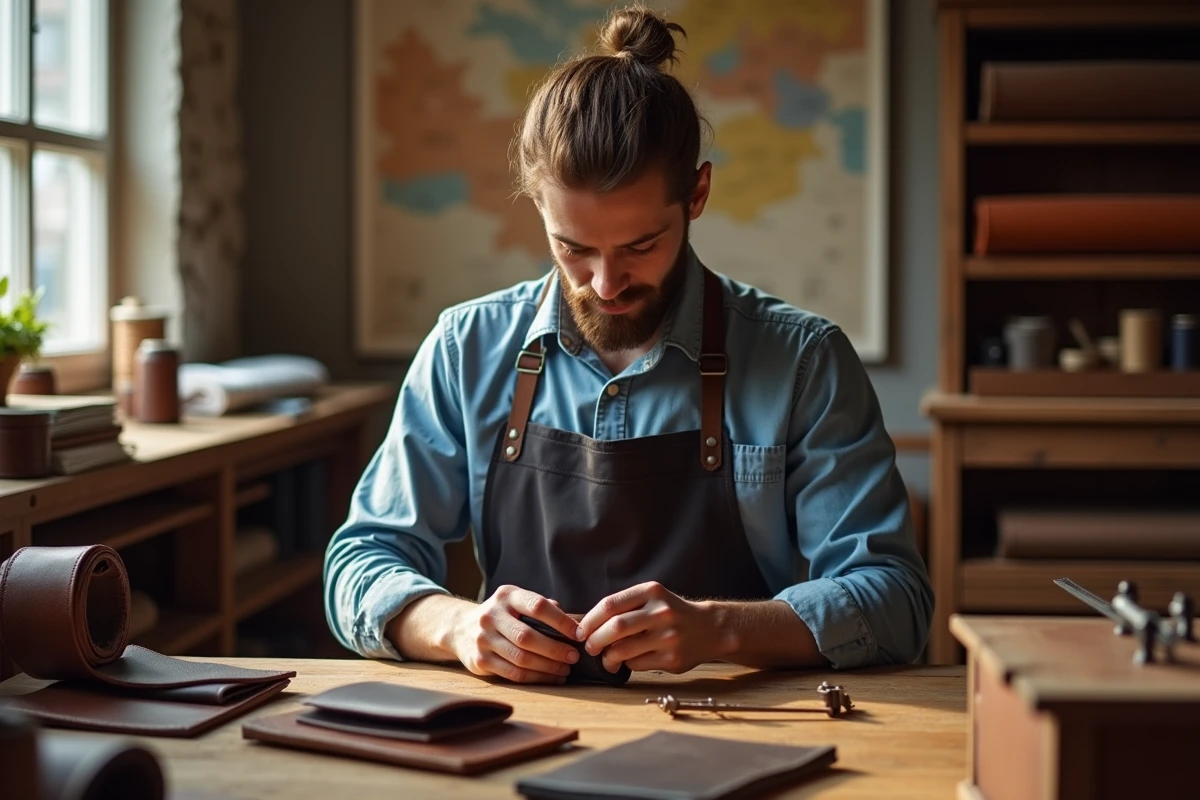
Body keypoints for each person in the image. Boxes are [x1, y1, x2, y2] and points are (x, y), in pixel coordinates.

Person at [324, 5, 933, 684]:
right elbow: (361, 563)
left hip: (738, 728)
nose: (606, 284)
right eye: (574, 248)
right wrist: (458, 626)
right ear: (538, 208)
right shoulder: (466, 348)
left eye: (641, 246)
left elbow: (896, 601)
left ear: (697, 194)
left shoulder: (803, 362)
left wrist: (721, 629)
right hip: (521, 731)